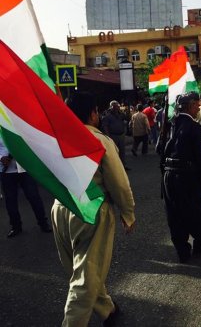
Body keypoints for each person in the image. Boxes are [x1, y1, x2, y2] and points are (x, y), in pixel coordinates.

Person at [53, 92, 135, 326]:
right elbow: (119, 183)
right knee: (85, 279)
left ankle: (107, 309)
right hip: (90, 209)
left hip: (61, 206)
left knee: (79, 270)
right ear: (92, 113)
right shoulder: (98, 140)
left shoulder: (56, 138)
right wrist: (128, 212)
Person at [161, 92, 201, 263]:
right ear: (190, 106)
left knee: (174, 213)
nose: (198, 108)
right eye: (197, 105)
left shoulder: (168, 125)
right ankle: (199, 246)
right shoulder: (194, 127)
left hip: (169, 175)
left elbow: (159, 151)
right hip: (188, 176)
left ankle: (182, 251)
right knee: (198, 212)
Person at [0, 136, 52, 238]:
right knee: (10, 201)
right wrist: (1, 157)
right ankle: (16, 227)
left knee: (34, 197)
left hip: (25, 168)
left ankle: (43, 223)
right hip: (6, 171)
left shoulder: (19, 126)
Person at [101, 100, 130, 170]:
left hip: (121, 135)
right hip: (113, 136)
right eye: (115, 106)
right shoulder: (107, 115)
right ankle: (116, 167)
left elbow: (127, 118)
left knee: (122, 151)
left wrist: (127, 111)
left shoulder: (120, 114)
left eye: (117, 106)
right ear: (111, 107)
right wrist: (108, 137)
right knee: (115, 152)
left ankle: (123, 166)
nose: (117, 108)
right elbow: (105, 126)